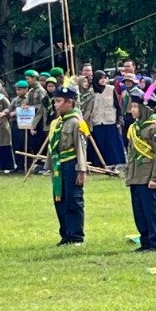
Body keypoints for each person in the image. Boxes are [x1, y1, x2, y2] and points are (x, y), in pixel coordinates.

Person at [123, 89, 156, 252]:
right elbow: (131, 153)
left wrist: (155, 177)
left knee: (152, 211)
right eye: (132, 106)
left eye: (135, 106)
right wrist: (129, 174)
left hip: (149, 176)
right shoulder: (134, 128)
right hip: (136, 176)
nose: (132, 110)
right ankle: (145, 241)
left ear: (144, 109)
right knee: (139, 211)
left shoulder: (154, 127)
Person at [46, 86, 89, 245]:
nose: (55, 105)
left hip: (71, 164)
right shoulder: (57, 122)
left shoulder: (76, 122)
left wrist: (81, 170)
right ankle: (65, 234)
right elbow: (52, 146)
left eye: (58, 101)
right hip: (58, 165)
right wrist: (49, 165)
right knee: (60, 200)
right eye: (55, 101)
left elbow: (81, 147)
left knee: (73, 200)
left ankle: (76, 235)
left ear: (69, 102)